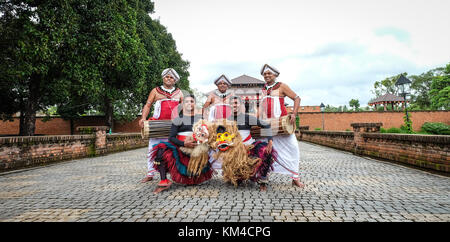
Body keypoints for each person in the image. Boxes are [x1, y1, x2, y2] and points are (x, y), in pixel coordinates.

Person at [150, 95, 213, 194]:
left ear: (195, 104)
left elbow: (208, 134)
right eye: (187, 102)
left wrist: (200, 142)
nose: (189, 103)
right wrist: (184, 143)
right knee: (161, 149)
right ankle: (163, 180)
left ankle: (195, 173)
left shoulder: (201, 118)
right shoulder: (177, 119)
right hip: (181, 147)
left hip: (197, 149)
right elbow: (171, 137)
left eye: (192, 101)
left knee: (192, 181)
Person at [258, 64, 305, 188]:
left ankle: (295, 177)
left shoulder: (282, 86)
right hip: (267, 125)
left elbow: (297, 98)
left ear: (275, 75)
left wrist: (294, 113)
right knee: (265, 151)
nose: (267, 75)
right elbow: (261, 107)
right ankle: (263, 177)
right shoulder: (262, 89)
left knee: (293, 149)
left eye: (269, 73)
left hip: (282, 124)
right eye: (265, 74)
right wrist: (256, 121)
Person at [139, 68, 183, 183]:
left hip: (173, 126)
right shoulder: (155, 91)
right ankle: (150, 173)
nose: (169, 79)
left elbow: (186, 109)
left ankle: (175, 173)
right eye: (167, 77)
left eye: (171, 77)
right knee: (152, 149)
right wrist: (143, 118)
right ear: (163, 78)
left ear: (175, 80)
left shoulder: (179, 93)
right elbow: (148, 106)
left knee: (174, 150)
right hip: (158, 125)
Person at [228, 96, 276, 191]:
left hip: (250, 147)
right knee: (236, 179)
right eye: (232, 103)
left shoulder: (248, 118)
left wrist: (270, 140)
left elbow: (266, 125)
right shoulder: (227, 120)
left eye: (236, 103)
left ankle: (262, 181)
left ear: (240, 105)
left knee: (265, 151)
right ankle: (238, 176)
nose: (234, 105)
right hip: (234, 149)